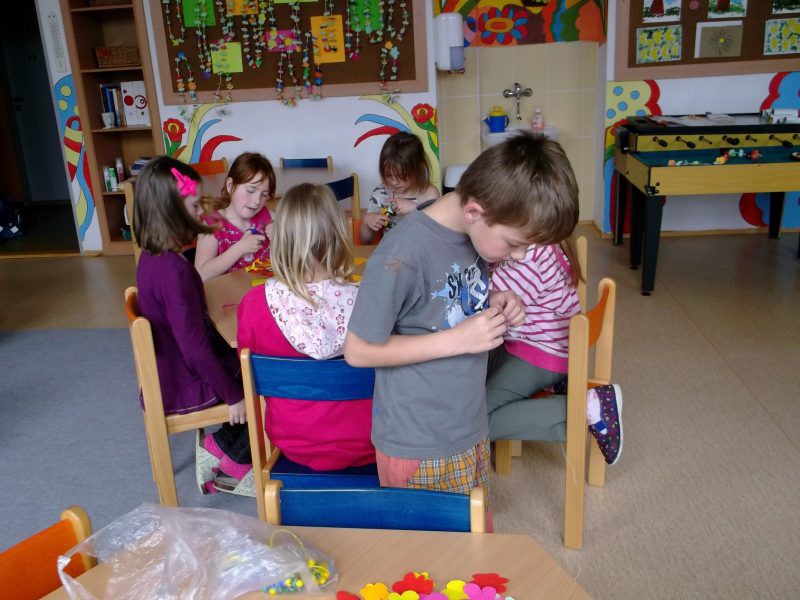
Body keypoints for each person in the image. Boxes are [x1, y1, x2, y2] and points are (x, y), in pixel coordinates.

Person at [344, 131, 592, 498]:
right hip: (419, 442)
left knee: (475, 524)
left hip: (468, 424)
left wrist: (493, 297)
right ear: (475, 212)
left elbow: (442, 298)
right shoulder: (402, 254)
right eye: (515, 244)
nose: (519, 256)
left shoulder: (471, 234)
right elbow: (357, 350)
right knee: (435, 536)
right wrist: (457, 340)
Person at [133, 156, 252, 495]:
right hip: (184, 382)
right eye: (195, 205)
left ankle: (221, 444)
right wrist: (234, 397)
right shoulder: (174, 271)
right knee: (264, 379)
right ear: (170, 210)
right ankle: (231, 458)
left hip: (170, 372)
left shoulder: (152, 256)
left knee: (244, 360)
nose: (202, 212)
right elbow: (195, 350)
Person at [237, 183, 375, 471]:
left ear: (280, 237)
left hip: (293, 442)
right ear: (338, 235)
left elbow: (249, 372)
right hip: (371, 439)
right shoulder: (372, 302)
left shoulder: (254, 304)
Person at [487, 237, 623, 465]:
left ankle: (585, 406)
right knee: (478, 388)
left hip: (539, 353)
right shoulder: (544, 243)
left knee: (473, 422)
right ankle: (565, 391)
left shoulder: (530, 258)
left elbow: (487, 303)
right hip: (548, 347)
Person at [195, 152, 276, 281]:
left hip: (265, 289)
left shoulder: (269, 217)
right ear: (230, 185)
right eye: (250, 191)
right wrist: (240, 248)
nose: (257, 201)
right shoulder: (212, 224)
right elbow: (201, 275)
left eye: (264, 194)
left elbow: (297, 250)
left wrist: (282, 236)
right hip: (227, 292)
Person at [359, 131, 439, 244]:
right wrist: (366, 223)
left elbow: (436, 233)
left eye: (402, 176)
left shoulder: (429, 193)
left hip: (422, 251)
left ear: (418, 168)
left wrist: (415, 209)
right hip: (390, 252)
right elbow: (366, 241)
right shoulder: (380, 194)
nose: (394, 182)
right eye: (388, 175)